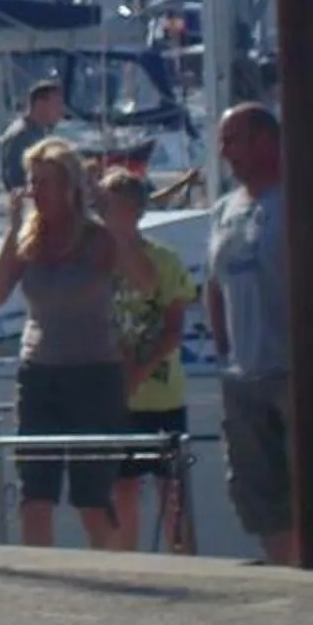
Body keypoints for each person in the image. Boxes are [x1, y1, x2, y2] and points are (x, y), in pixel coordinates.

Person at [0, 137, 158, 548]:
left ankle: (111, 573)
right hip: (40, 374)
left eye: (45, 182)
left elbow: (146, 283)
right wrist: (12, 230)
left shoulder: (97, 239)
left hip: (94, 375)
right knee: (35, 497)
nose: (36, 191)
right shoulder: (30, 240)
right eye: (32, 181)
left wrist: (116, 229)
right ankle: (41, 579)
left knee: (91, 500)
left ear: (68, 187)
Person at [205, 104, 295, 565]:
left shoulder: (295, 202)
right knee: (258, 492)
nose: (224, 152)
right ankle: (283, 565)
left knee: (307, 482)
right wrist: (224, 351)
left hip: (293, 373)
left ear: (265, 141)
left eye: (233, 140)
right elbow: (214, 286)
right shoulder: (224, 210)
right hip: (244, 376)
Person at [96, 166, 196, 553]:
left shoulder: (165, 261)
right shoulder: (94, 261)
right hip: (113, 399)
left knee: (173, 491)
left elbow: (173, 329)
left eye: (111, 205)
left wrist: (139, 372)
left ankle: (186, 564)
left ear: (135, 211)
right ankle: (128, 567)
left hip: (161, 395)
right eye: (100, 204)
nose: (103, 212)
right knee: (121, 489)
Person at [0, 77, 67, 194]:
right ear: (40, 104)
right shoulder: (21, 136)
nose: (61, 110)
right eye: (57, 104)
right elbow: (16, 181)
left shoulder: (41, 132)